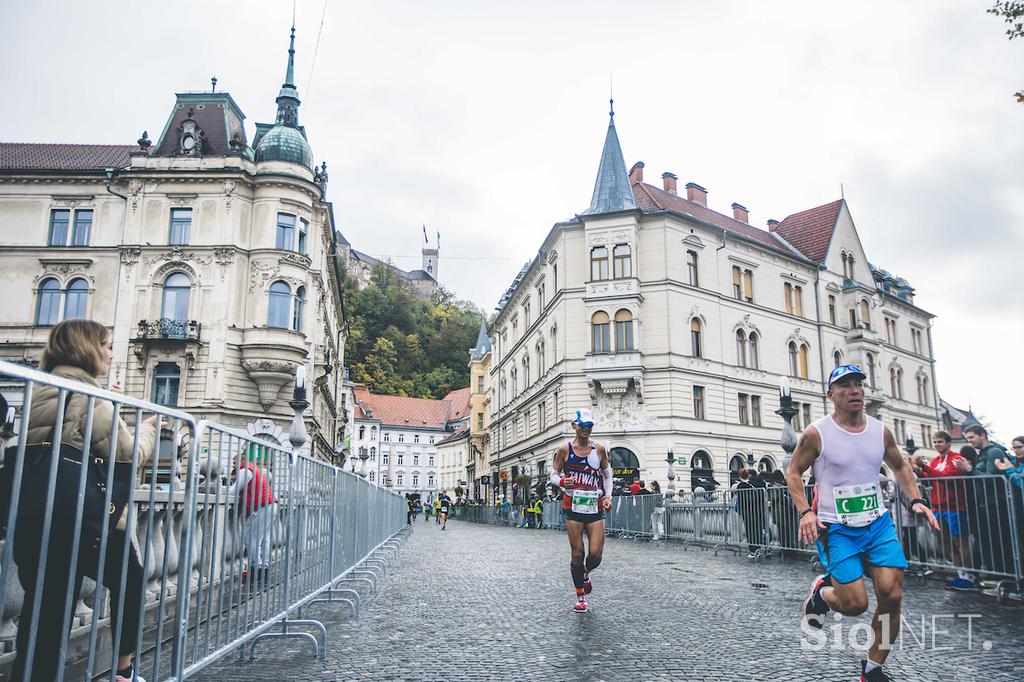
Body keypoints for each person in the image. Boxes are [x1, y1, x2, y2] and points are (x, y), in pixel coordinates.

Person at [11, 319, 159, 682]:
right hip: (86, 518)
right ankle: (124, 670)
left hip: (36, 515)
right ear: (87, 348)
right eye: (106, 345)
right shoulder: (90, 397)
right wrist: (149, 429)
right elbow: (128, 454)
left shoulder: (39, 390)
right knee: (132, 577)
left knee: (45, 614)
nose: (110, 353)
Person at [787, 364, 938, 682]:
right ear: (831, 395)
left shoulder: (880, 431)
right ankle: (821, 595)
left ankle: (872, 668)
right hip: (837, 528)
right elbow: (793, 473)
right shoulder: (817, 433)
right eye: (844, 385)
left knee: (892, 596)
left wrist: (917, 500)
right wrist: (806, 511)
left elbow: (899, 467)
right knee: (855, 604)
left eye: (858, 384)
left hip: (878, 524)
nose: (854, 390)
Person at [548, 408, 612, 614]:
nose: (586, 429)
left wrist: (608, 496)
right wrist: (561, 482)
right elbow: (553, 474)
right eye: (583, 425)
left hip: (594, 506)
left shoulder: (599, 449)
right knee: (578, 552)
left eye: (590, 426)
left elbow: (608, 475)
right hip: (573, 505)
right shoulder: (565, 449)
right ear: (574, 426)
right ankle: (580, 596)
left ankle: (586, 572)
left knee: (595, 554)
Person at [910, 431, 976, 590]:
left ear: (948, 443)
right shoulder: (935, 460)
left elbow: (946, 476)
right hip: (938, 506)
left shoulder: (956, 459)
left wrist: (924, 467)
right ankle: (961, 574)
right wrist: (918, 471)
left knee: (959, 541)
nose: (937, 445)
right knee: (943, 542)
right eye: (935, 442)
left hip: (954, 506)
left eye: (940, 442)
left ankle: (970, 576)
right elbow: (929, 477)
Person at [964, 424, 1014, 576]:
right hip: (985, 504)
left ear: (982, 435)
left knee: (1002, 543)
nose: (969, 441)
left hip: (997, 504)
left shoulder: (994, 452)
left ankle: (1009, 578)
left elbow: (991, 478)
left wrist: (970, 470)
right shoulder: (982, 453)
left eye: (972, 437)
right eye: (968, 438)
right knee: (993, 543)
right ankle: (1000, 576)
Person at [227, 452, 278, 585]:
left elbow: (234, 491)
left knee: (251, 538)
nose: (233, 465)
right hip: (272, 504)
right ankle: (264, 568)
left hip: (261, 506)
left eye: (234, 463)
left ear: (241, 461)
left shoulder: (246, 471)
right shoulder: (257, 471)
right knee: (264, 538)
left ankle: (255, 569)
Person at [736, 468, 767, 558]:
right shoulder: (756, 484)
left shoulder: (741, 486)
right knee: (758, 530)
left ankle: (753, 550)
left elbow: (741, 499)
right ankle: (759, 548)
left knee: (750, 531)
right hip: (759, 510)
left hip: (748, 511)